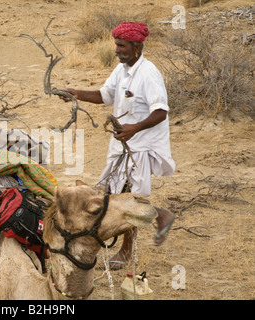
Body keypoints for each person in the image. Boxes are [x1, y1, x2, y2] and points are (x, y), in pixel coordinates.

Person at [60, 22, 176, 270]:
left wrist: (134, 128)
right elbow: (105, 96)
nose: (117, 50)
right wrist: (75, 93)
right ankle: (159, 215)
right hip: (122, 144)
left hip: (140, 146)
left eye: (122, 46)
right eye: (116, 45)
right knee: (113, 194)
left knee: (130, 197)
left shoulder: (148, 74)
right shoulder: (121, 70)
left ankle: (126, 251)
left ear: (137, 47)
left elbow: (161, 112)